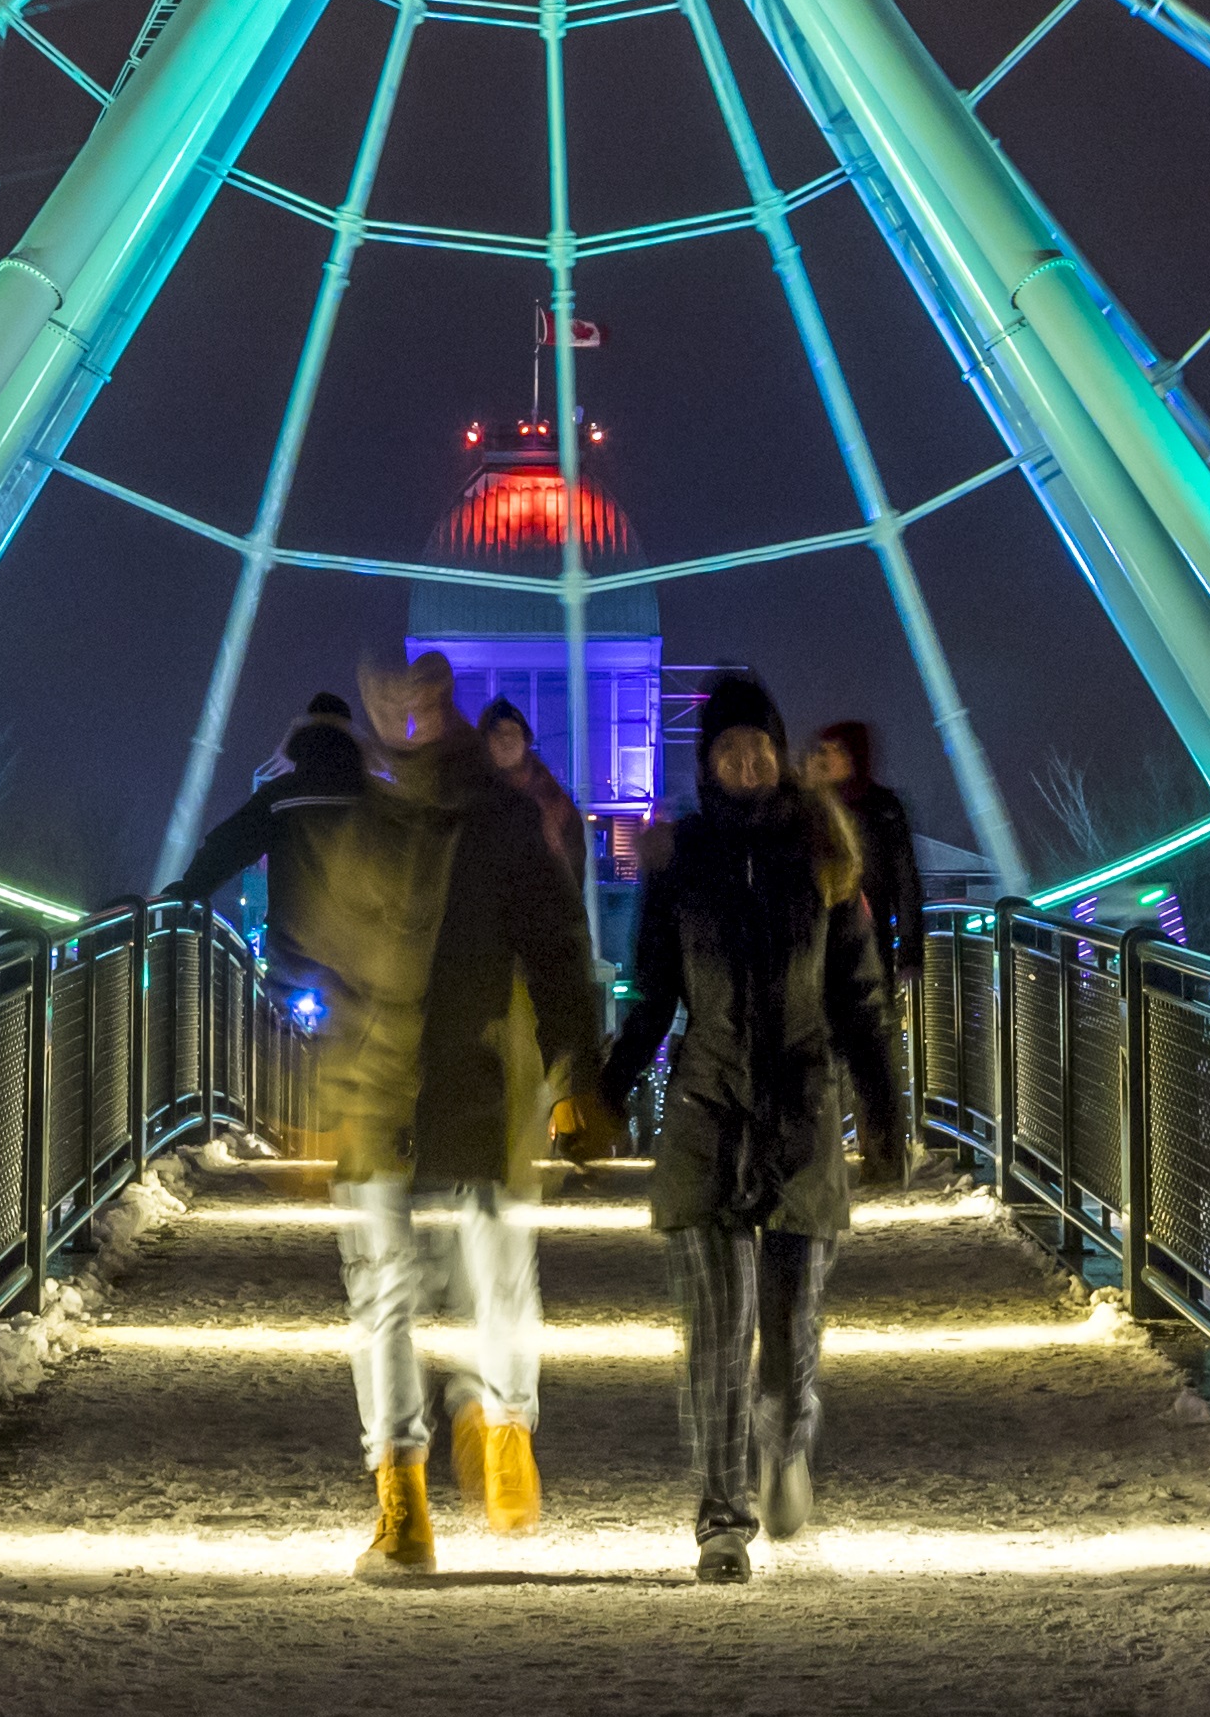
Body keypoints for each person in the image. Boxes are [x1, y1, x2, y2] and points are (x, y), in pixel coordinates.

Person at [291, 654, 606, 1580]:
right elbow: (558, 950)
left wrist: (575, 1071)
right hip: (443, 1090)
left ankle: (413, 1500)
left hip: (411, 1091)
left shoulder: (383, 826)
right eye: (391, 704)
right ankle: (476, 1454)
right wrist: (569, 1067)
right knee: (483, 1277)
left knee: (407, 1292)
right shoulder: (493, 822)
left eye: (415, 703)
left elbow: (550, 952)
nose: (405, 718)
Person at [605, 671, 910, 1582]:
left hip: (801, 1118)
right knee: (715, 1331)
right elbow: (653, 993)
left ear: (779, 756)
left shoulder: (825, 860)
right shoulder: (681, 862)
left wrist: (885, 1114)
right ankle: (721, 1523)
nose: (746, 760)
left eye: (760, 746)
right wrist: (607, 1090)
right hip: (706, 1116)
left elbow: (861, 1002)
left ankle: (787, 1449)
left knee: (789, 1338)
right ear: (708, 764)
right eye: (729, 748)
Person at [167, 696, 366, 1014]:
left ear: (304, 741)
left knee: (279, 1048)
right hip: (359, 973)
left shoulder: (280, 797)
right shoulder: (376, 801)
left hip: (294, 967)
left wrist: (187, 892)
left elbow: (227, 847)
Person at [805, 718, 926, 992]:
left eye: (833, 750)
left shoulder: (883, 808)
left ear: (853, 755)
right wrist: (809, 795)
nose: (824, 758)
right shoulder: (809, 808)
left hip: (870, 943)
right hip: (815, 950)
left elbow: (905, 881)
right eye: (821, 750)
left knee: (872, 1020)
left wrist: (910, 954)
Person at [480, 696, 589, 900]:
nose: (506, 740)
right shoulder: (474, 799)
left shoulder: (552, 801)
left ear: (525, 740)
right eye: (497, 733)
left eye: (512, 732)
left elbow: (573, 872)